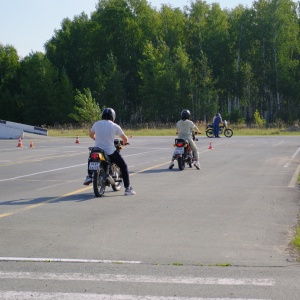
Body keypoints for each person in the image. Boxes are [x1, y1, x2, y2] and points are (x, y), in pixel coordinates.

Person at [83, 108, 136, 196]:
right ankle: (127, 189)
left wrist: (95, 138)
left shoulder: (96, 124)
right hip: (110, 151)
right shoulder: (114, 126)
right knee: (123, 166)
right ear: (113, 117)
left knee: (91, 157)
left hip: (97, 149)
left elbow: (91, 134)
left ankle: (89, 176)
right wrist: (124, 143)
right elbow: (125, 139)